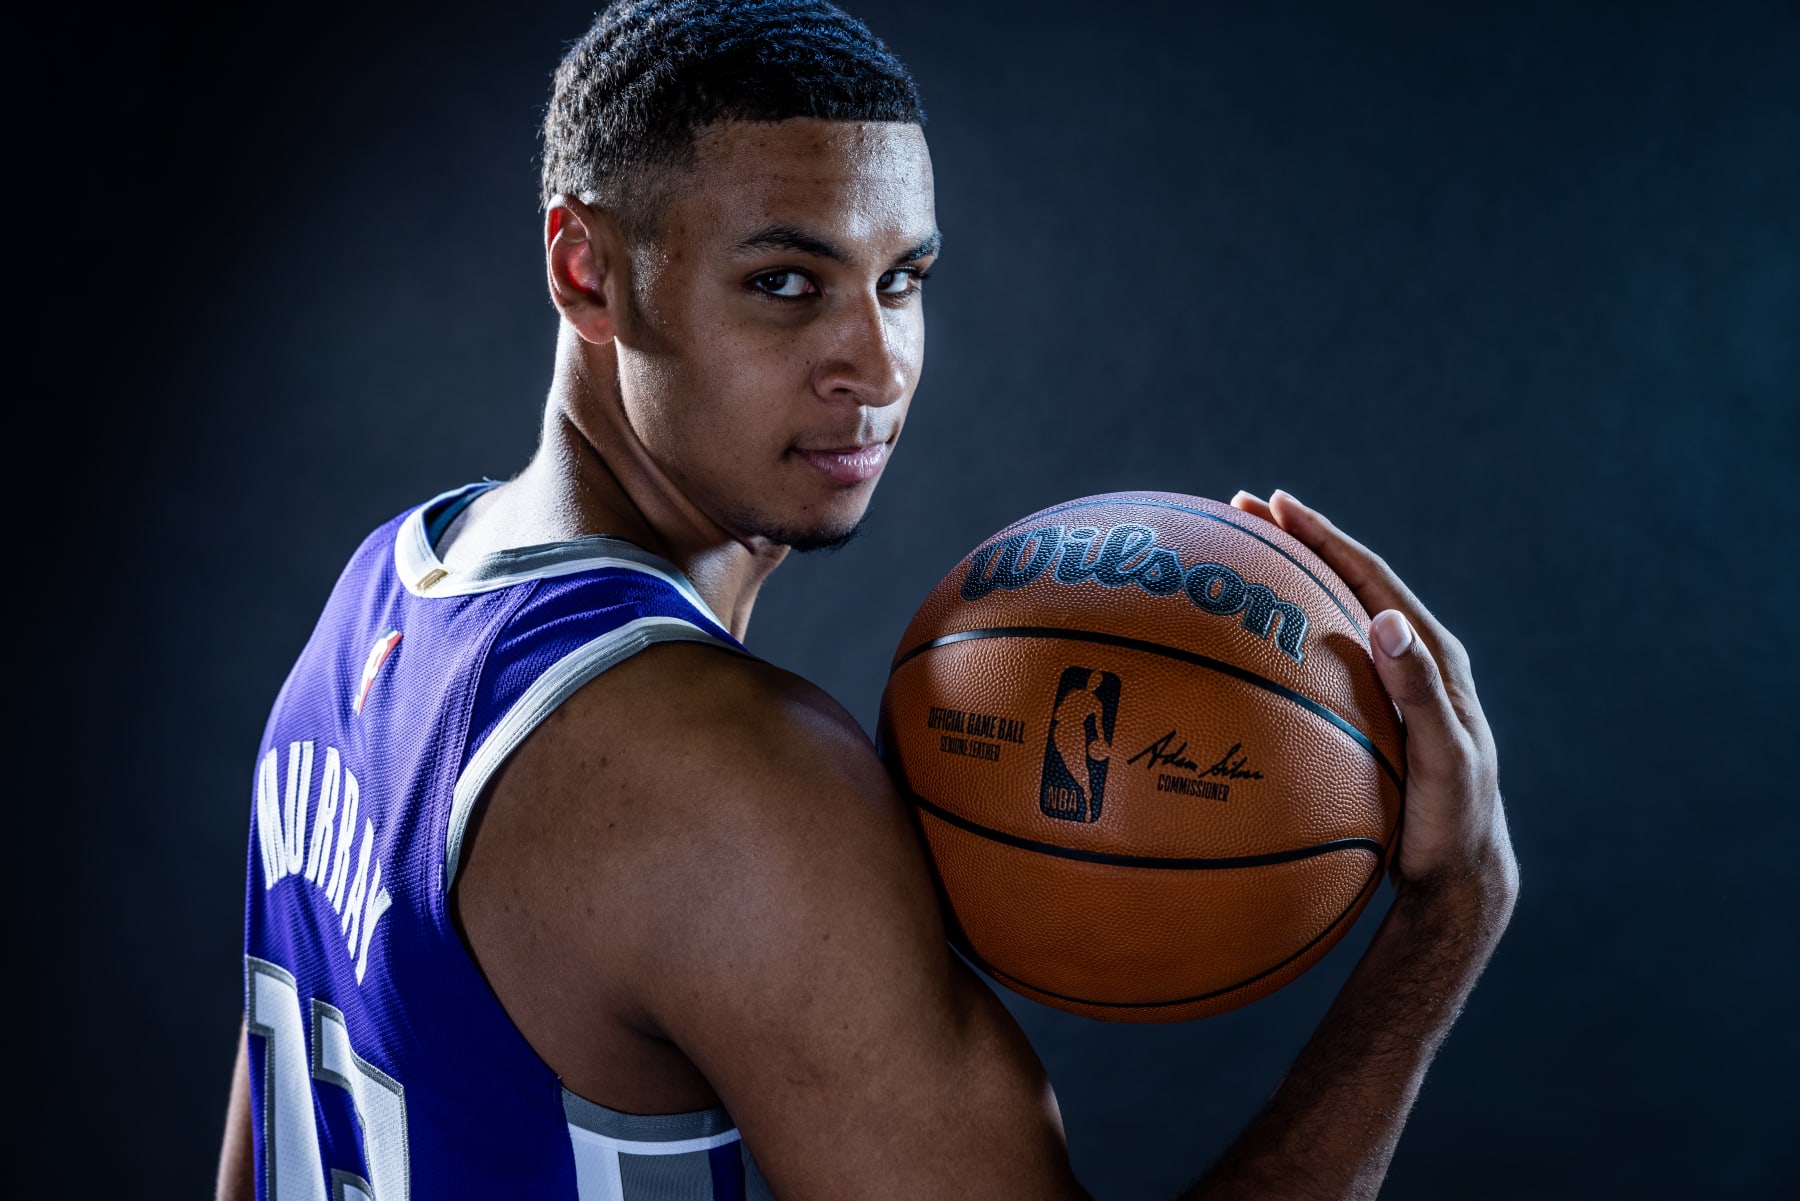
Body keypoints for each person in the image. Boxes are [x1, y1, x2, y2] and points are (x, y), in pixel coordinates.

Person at [216, 2, 1519, 1197]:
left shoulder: (387, 583)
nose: (876, 360)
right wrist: (1440, 928)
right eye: (788, 281)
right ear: (587, 270)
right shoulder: (731, 778)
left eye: (903, 279)